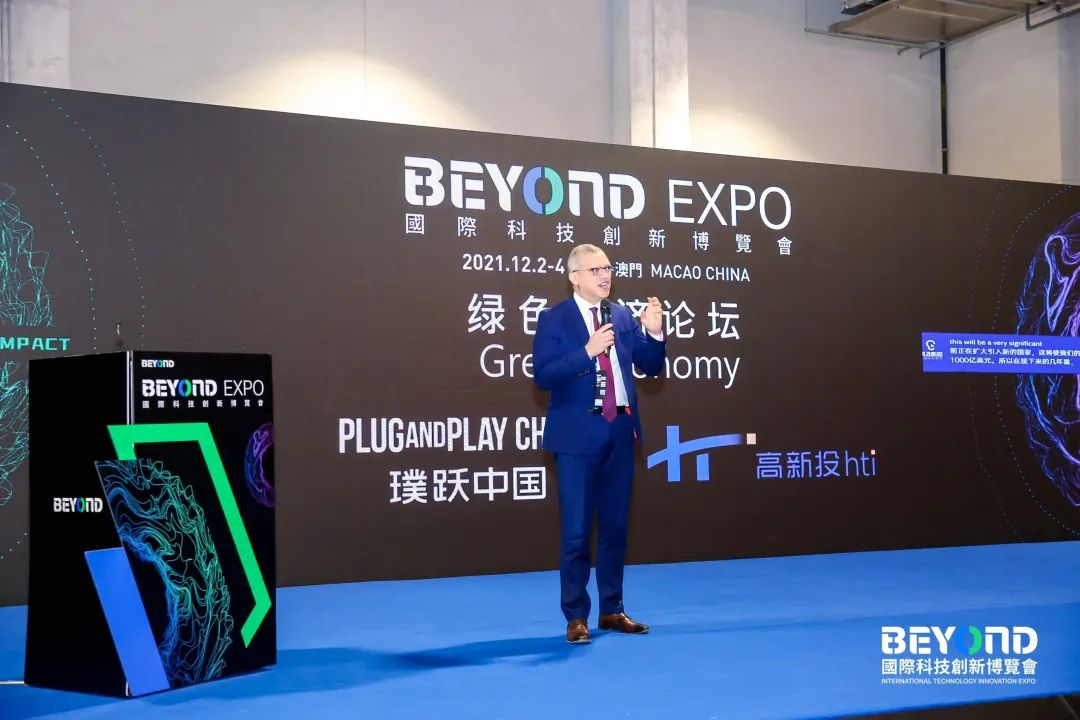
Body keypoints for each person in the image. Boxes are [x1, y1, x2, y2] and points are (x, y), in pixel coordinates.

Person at [532, 243, 666, 644]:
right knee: (576, 531)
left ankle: (612, 609)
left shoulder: (620, 314)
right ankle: (576, 616)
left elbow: (651, 366)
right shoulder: (554, 318)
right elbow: (544, 375)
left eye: (608, 268)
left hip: (620, 431)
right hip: (577, 436)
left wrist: (654, 332)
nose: (605, 276)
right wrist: (586, 352)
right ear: (574, 277)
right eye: (595, 270)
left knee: (615, 528)